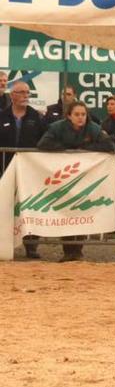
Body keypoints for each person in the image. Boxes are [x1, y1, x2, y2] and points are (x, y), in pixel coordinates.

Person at [37, 100, 115, 262]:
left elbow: (109, 145)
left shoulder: (93, 127)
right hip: (62, 177)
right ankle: (68, 251)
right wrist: (66, 149)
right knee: (65, 211)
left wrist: (84, 149)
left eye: (83, 114)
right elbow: (43, 143)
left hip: (84, 177)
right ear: (68, 116)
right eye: (77, 115)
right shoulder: (57, 127)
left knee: (81, 210)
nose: (81, 118)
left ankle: (78, 250)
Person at [0, 80, 47, 258]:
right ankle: (4, 243)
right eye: (21, 92)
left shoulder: (36, 117)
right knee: (4, 206)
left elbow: (45, 140)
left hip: (29, 170)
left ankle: (32, 246)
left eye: (28, 93)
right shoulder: (2, 116)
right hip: (4, 167)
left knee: (31, 206)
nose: (25, 96)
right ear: (12, 95)